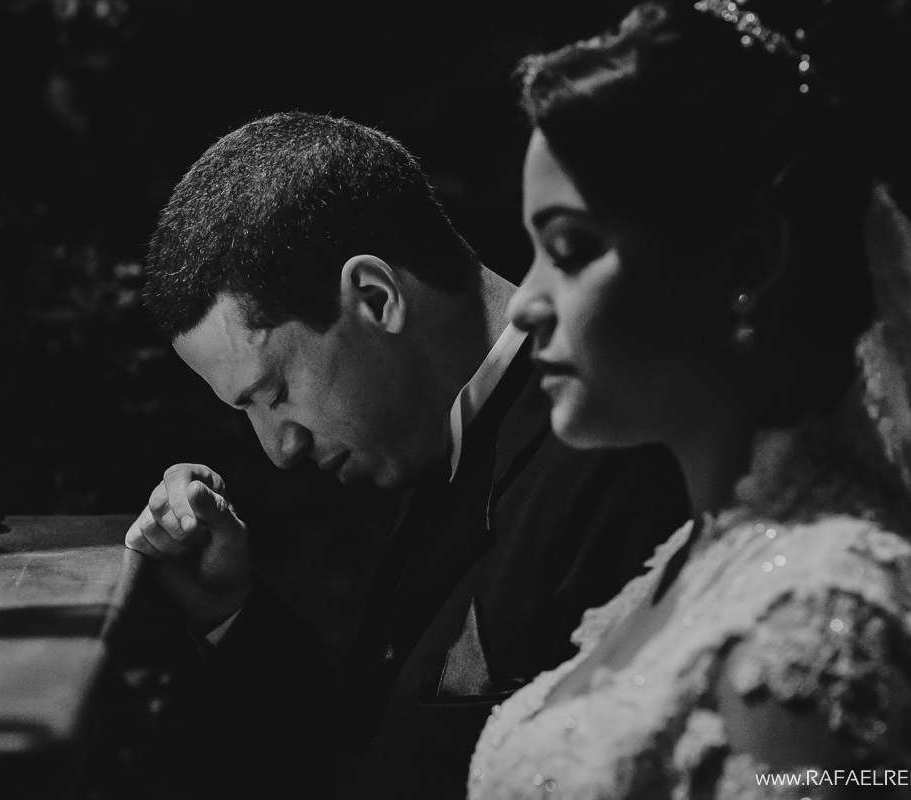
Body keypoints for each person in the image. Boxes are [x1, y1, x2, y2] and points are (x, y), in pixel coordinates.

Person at [467, 2, 911, 798]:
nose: (525, 303)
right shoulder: (686, 568)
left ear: (747, 259)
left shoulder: (825, 620)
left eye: (570, 249)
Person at [126, 111, 691, 799]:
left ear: (374, 296)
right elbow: (372, 752)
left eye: (274, 392)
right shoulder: (440, 441)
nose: (278, 449)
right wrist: (230, 612)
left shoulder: (616, 459)